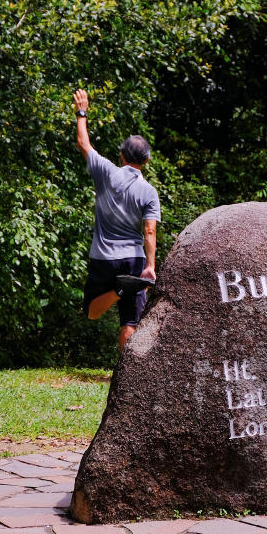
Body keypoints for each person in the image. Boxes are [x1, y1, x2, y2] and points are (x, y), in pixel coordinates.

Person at [73, 88, 160, 351]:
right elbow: (149, 232)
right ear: (146, 161)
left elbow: (83, 143)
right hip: (133, 259)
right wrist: (150, 266)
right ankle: (126, 383)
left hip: (104, 257)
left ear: (121, 156)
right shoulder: (149, 191)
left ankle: (119, 290)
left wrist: (82, 111)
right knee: (130, 321)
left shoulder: (107, 172)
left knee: (92, 311)